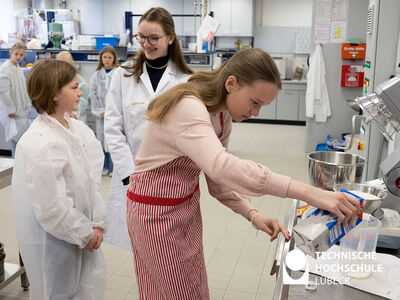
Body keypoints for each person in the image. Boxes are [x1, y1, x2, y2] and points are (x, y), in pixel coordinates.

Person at [127, 48, 361, 299]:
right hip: (153, 215)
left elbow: (218, 182)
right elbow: (222, 166)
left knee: (191, 285)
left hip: (185, 209)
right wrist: (309, 192)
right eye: (254, 102)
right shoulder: (189, 108)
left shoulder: (221, 115)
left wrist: (252, 214)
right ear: (231, 83)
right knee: (170, 292)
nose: (256, 113)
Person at [12, 59, 107, 300]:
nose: (80, 92)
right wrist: (85, 233)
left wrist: (97, 223)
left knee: (84, 290)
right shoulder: (42, 142)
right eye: (74, 87)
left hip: (82, 235)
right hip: (56, 243)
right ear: (54, 94)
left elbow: (92, 180)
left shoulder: (76, 130)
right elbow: (51, 207)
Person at [104, 7, 193, 250]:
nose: (147, 43)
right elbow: (113, 128)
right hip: (131, 177)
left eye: (154, 38)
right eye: (141, 37)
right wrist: (128, 174)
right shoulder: (122, 75)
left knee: (168, 251)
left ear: (171, 38)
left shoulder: (186, 81)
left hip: (170, 181)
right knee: (141, 250)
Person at [89, 46, 119, 177]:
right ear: (101, 58)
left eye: (110, 57)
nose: (107, 60)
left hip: (115, 115)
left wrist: (113, 111)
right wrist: (99, 111)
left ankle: (114, 168)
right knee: (101, 140)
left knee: (114, 140)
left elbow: (120, 94)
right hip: (100, 115)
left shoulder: (119, 73)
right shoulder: (96, 76)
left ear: (114, 59)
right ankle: (105, 166)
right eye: (105, 57)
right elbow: (93, 94)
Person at [0, 43, 30, 158]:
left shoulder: (17, 68)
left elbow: (23, 90)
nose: (19, 57)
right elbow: (3, 92)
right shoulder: (5, 69)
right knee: (16, 143)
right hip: (12, 113)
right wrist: (10, 109)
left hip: (21, 111)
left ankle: (20, 167)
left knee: (23, 143)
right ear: (10, 53)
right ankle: (14, 168)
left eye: (21, 55)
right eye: (16, 54)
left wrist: (27, 107)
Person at [57, 51, 89, 122]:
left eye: (66, 62)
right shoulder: (55, 80)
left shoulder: (80, 81)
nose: (64, 65)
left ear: (71, 63)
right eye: (61, 62)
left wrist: (75, 114)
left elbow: (83, 101)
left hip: (76, 118)